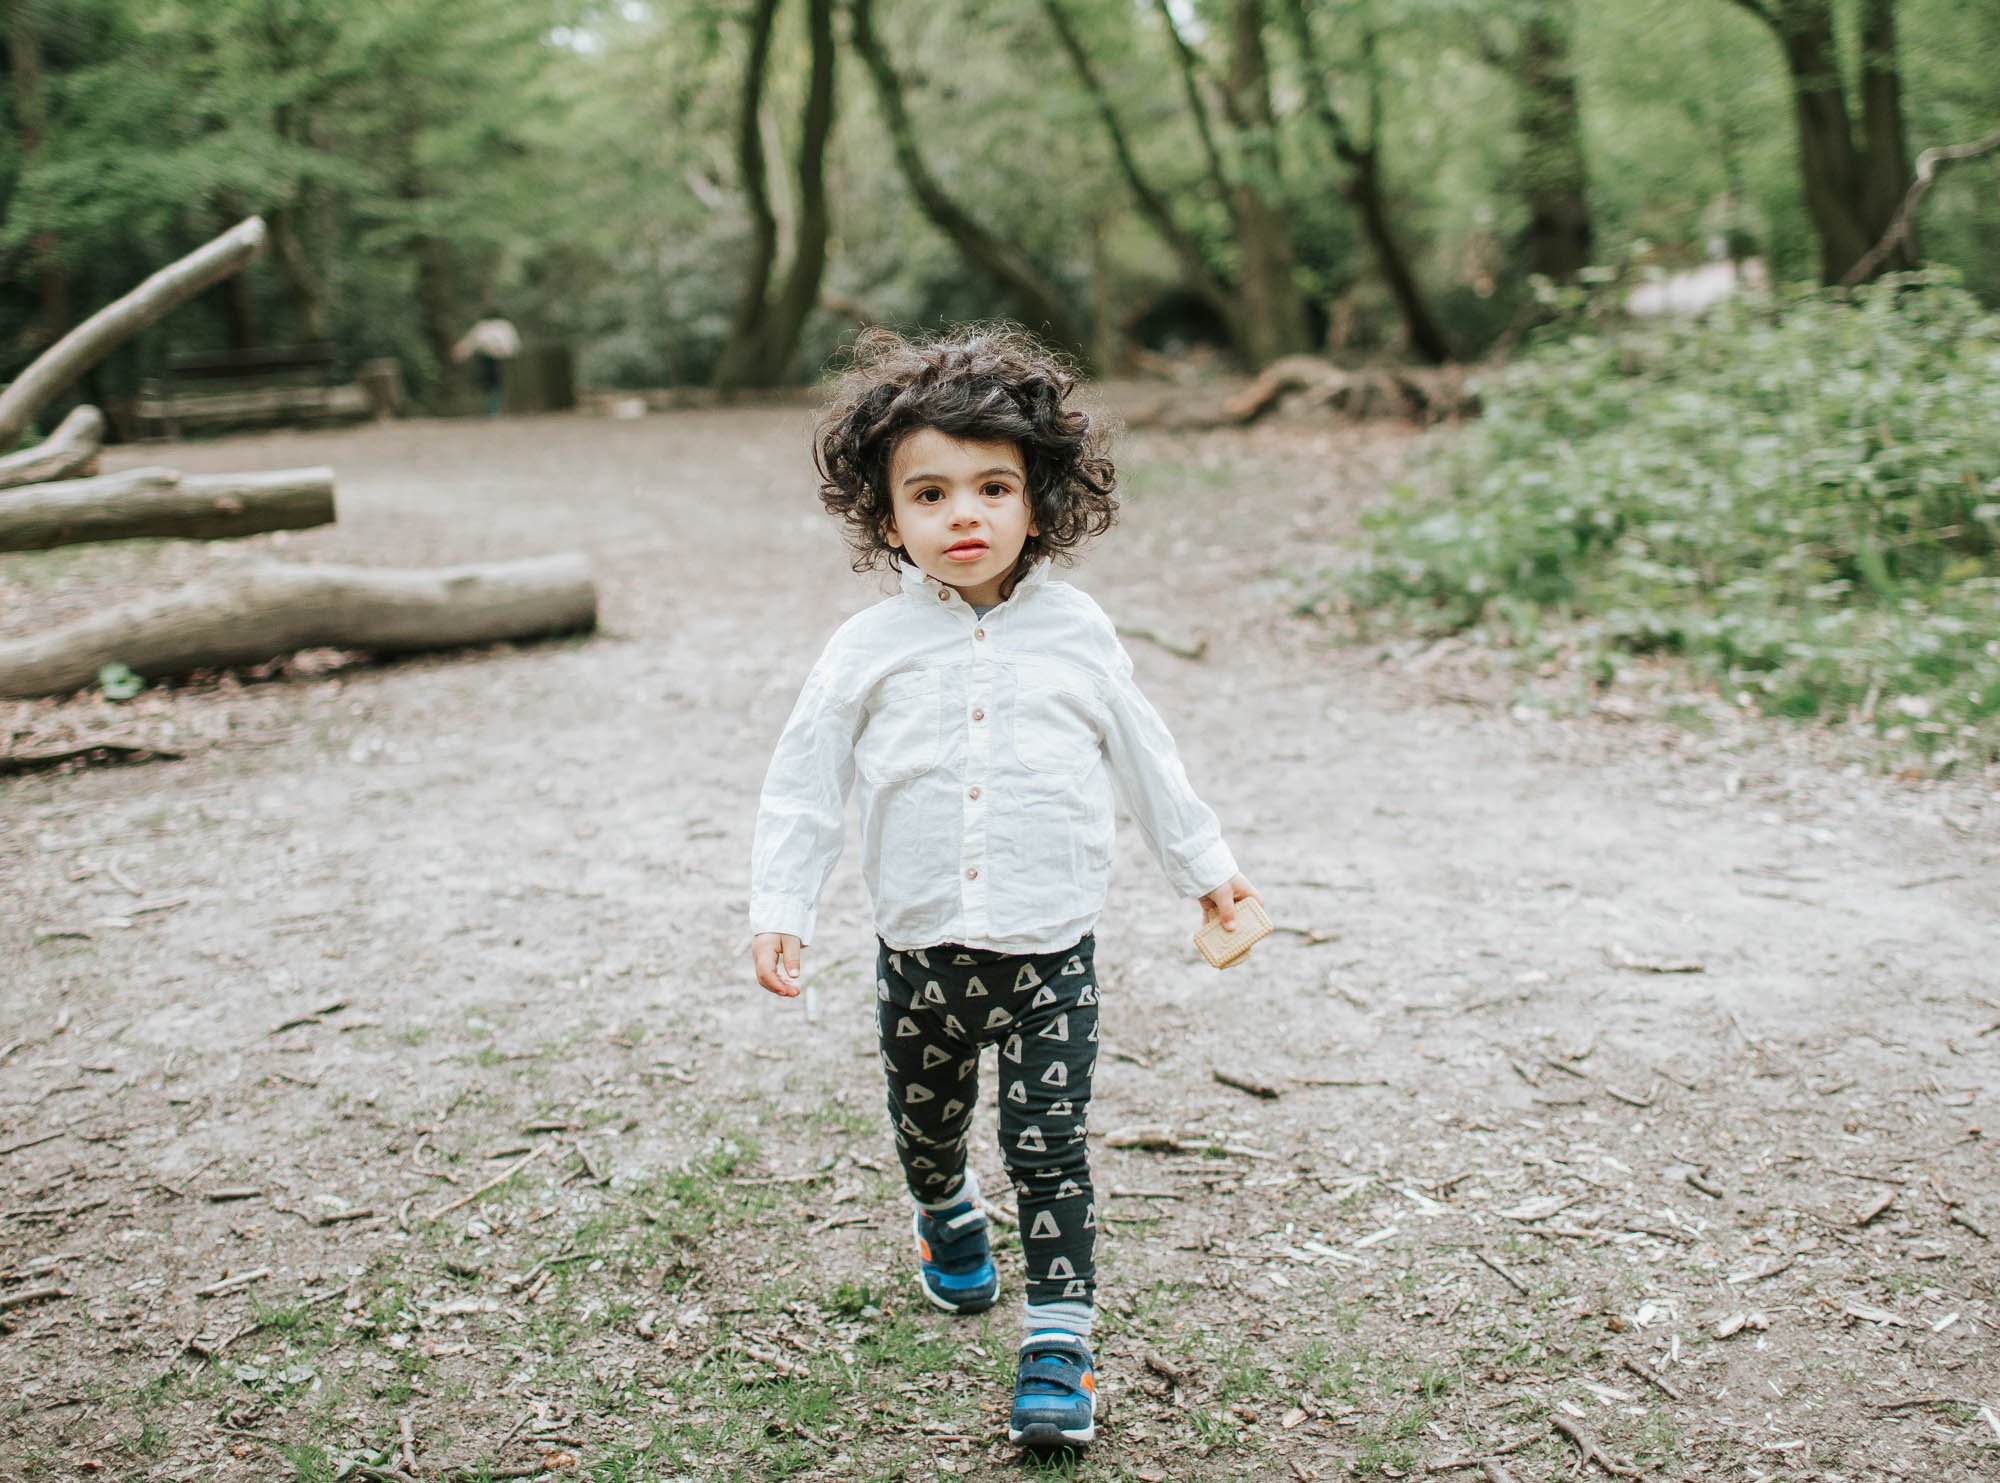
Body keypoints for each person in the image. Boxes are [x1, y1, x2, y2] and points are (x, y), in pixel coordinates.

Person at [748, 325, 1260, 1451]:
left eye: (992, 486)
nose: (962, 514)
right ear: (887, 518)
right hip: (918, 957)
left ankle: (1057, 1348)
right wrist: (779, 904)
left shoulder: (1077, 635)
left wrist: (1207, 873)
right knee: (926, 1134)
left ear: (1042, 501)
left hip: (1048, 956)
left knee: (1047, 1145)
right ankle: (945, 1221)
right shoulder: (866, 647)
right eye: (928, 492)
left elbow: (1146, 760)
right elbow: (804, 783)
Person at [450, 310, 521, 418]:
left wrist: (461, 351)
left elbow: (470, 342)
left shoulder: (494, 326)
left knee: (493, 385)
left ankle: (494, 410)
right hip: (491, 359)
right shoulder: (499, 326)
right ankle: (492, 410)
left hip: (498, 360)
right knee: (491, 385)